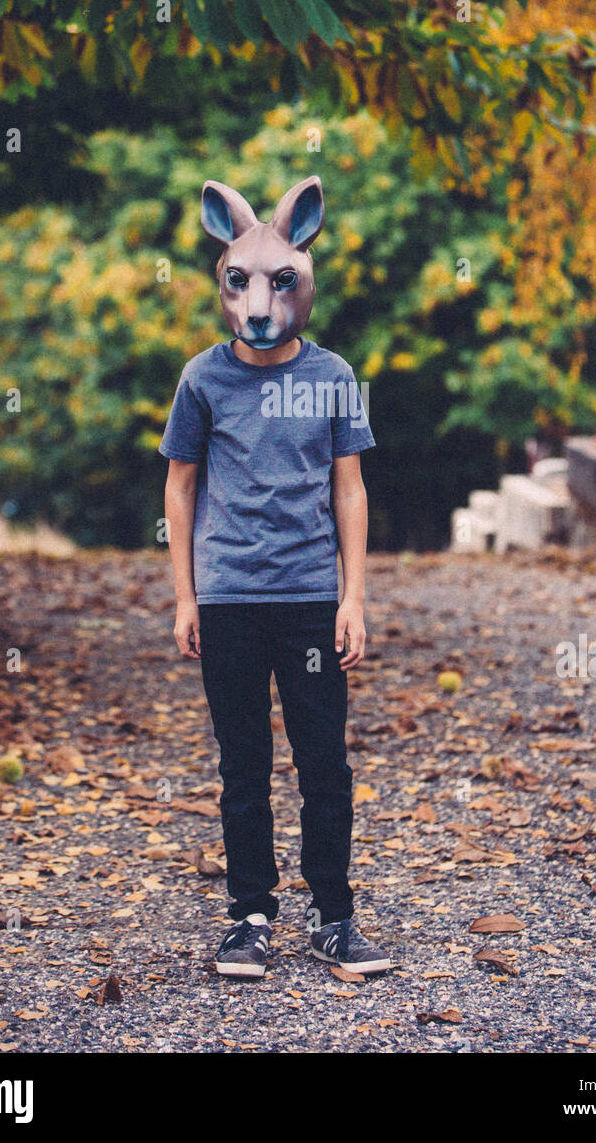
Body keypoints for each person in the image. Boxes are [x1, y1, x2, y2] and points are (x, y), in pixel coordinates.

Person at [160, 175, 391, 980]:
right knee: (243, 764)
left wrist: (353, 595)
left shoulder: (333, 376)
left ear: (302, 277)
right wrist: (187, 595)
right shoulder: (202, 378)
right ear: (223, 284)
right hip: (229, 599)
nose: (258, 302)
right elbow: (180, 484)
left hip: (307, 601)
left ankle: (335, 917)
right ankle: (250, 916)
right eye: (240, 282)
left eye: (278, 281)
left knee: (324, 760)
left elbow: (349, 486)